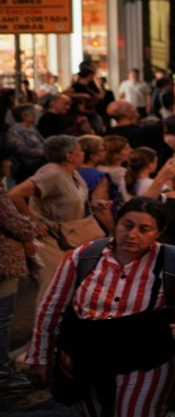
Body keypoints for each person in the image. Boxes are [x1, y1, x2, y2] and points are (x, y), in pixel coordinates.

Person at [26, 198, 175, 417]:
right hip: (85, 360)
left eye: (144, 229)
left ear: (159, 232)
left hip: (147, 361)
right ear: (116, 224)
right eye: (127, 226)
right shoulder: (83, 256)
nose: (132, 234)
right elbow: (51, 307)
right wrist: (40, 357)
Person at [7, 135, 94, 301]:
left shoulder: (72, 173)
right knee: (52, 286)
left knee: (68, 284)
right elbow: (15, 194)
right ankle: (43, 326)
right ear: (70, 156)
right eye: (80, 151)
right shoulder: (52, 173)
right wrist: (34, 221)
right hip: (49, 239)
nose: (83, 153)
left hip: (67, 236)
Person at [0, 184, 37, 393]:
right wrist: (31, 227)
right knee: (2, 318)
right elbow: (15, 224)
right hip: (3, 263)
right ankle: (2, 374)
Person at [6, 104, 45, 184]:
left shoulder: (32, 127)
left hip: (40, 159)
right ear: (23, 116)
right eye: (31, 113)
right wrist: (39, 153)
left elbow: (41, 141)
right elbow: (21, 149)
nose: (34, 115)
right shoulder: (15, 130)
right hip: (27, 164)